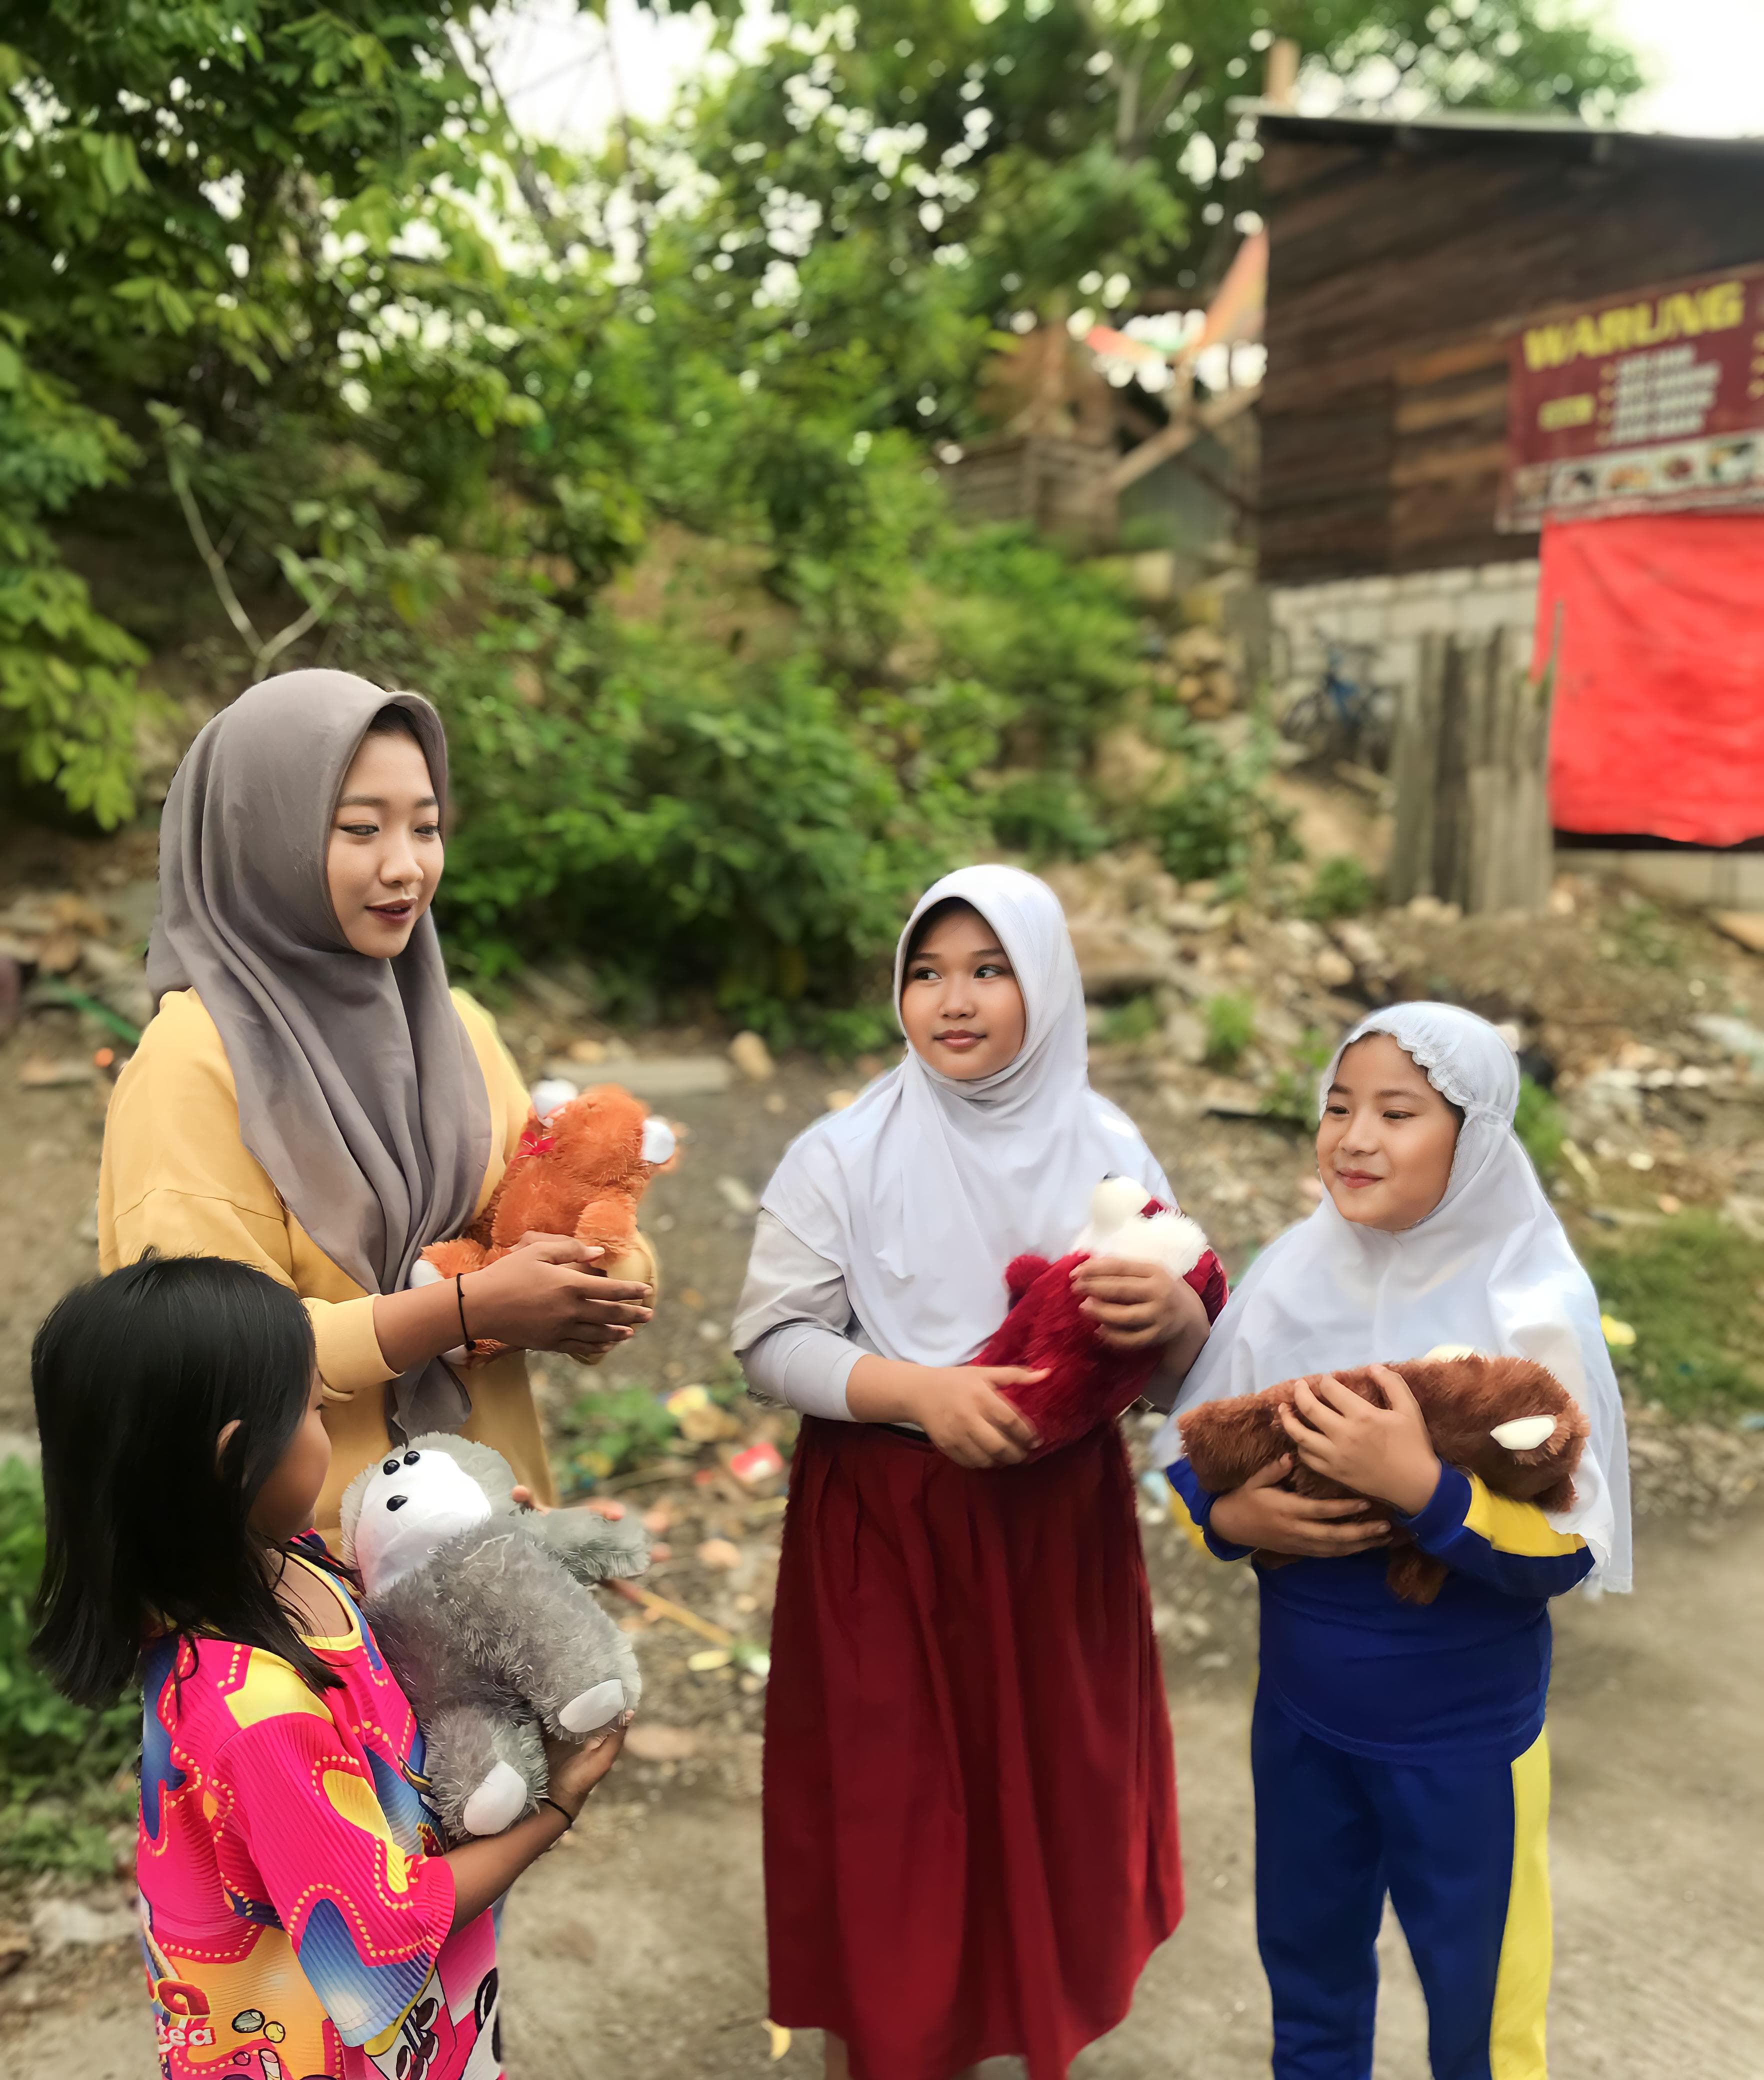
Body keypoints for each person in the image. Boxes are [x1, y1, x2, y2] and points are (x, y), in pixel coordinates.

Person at [732, 864, 1216, 2080]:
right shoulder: (842, 1155)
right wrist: (922, 1392)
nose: (952, 1000)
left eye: (989, 970)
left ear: (1045, 986)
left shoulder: (1108, 1145)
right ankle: (886, 2049)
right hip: (889, 1524)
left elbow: (1171, 1369)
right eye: (926, 972)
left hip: (1056, 1527)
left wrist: (1177, 1319)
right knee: (896, 1812)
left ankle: (1013, 2021)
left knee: (1042, 1801)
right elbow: (772, 1342)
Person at [1152, 1003, 1632, 2080]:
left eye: (1397, 1111)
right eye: (1336, 1106)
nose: (1353, 1136)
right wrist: (1230, 1521)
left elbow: (1573, 1544)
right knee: (1310, 1980)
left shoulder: (1531, 1300)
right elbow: (1201, 1455)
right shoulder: (1294, 1271)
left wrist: (1423, 1489)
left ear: (1476, 1141)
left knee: (1483, 2011)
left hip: (1463, 1747)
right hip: (1304, 1722)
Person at [30, 1251, 626, 2078]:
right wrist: (556, 1805)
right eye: (316, 1409)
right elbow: (382, 1933)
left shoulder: (295, 1566)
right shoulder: (254, 1714)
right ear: (238, 1460)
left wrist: (468, 1556)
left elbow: (393, 1657)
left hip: (422, 2025)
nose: (326, 1427)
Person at [98, 670, 655, 1541]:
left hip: (492, 1538)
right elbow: (201, 1364)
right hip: (310, 1584)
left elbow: (551, 1216)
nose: (406, 866)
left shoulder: (459, 1031)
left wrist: (596, 1282)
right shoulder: (191, 1066)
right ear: (260, 838)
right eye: (361, 828)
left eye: (427, 828)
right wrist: (462, 1311)